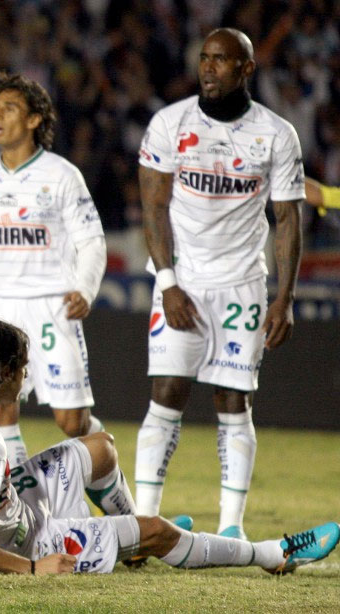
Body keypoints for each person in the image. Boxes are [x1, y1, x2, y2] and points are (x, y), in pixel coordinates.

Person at [0, 320, 339, 575]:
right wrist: (31, 568)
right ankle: (272, 553)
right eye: (23, 367)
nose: (27, 374)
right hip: (22, 543)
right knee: (156, 531)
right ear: (4, 373)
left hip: (4, 513)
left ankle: (130, 542)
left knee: (101, 448)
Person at [134, 28, 304, 539]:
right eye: (204, 58)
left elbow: (288, 219)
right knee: (166, 392)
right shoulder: (170, 123)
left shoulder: (276, 134)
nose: (208, 68)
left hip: (241, 284)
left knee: (234, 400)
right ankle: (146, 520)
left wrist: (285, 297)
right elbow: (153, 207)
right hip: (182, 280)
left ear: (246, 68)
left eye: (221, 60)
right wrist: (167, 282)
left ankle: (231, 529)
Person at [0, 72, 107, 466]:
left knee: (71, 422)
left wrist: (85, 289)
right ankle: (21, 507)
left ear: (35, 120)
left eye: (10, 108)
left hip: (52, 307)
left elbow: (92, 242)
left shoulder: (62, 176)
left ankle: (108, 469)